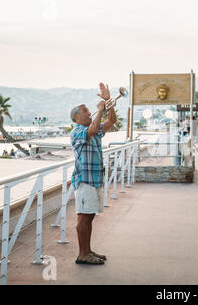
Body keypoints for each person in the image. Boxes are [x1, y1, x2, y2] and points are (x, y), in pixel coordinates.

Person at [69, 82, 117, 265]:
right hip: (85, 181)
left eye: (89, 110)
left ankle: (88, 251)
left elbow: (111, 121)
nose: (89, 113)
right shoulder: (78, 132)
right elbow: (93, 129)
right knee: (83, 216)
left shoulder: (93, 131)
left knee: (89, 216)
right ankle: (82, 254)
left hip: (95, 180)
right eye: (85, 111)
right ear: (76, 117)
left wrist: (108, 101)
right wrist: (99, 110)